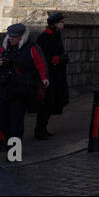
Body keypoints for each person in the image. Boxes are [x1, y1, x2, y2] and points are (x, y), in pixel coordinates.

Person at [0, 23, 48, 154]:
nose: (11, 39)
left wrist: (44, 78)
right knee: (2, 120)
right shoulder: (4, 49)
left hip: (20, 90)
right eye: (10, 36)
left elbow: (41, 64)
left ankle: (14, 153)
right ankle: (10, 143)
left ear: (21, 37)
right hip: (3, 90)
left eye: (14, 37)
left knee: (16, 122)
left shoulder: (32, 48)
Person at [34, 12, 69, 140]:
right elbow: (43, 57)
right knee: (45, 103)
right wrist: (58, 59)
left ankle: (43, 128)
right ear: (55, 24)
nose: (63, 24)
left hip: (56, 75)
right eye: (61, 22)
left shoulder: (56, 36)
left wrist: (62, 58)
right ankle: (39, 129)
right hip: (48, 75)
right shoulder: (45, 37)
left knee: (51, 103)